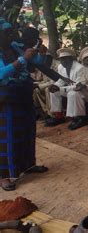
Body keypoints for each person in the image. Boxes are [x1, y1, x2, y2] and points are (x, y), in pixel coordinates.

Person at [0, 18, 48, 191]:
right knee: (6, 137)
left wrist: (39, 54)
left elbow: (36, 63)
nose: (11, 34)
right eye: (6, 32)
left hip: (23, 94)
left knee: (27, 131)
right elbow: (1, 73)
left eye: (11, 31)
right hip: (5, 99)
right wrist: (22, 60)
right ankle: (4, 176)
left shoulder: (14, 47)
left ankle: (28, 165)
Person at [46, 48, 86, 127]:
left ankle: (78, 118)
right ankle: (59, 116)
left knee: (72, 94)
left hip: (81, 90)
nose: (63, 61)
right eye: (61, 59)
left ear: (71, 58)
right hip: (69, 89)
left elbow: (78, 86)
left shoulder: (80, 68)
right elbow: (61, 81)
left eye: (66, 58)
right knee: (53, 91)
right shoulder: (61, 67)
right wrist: (55, 86)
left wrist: (61, 89)